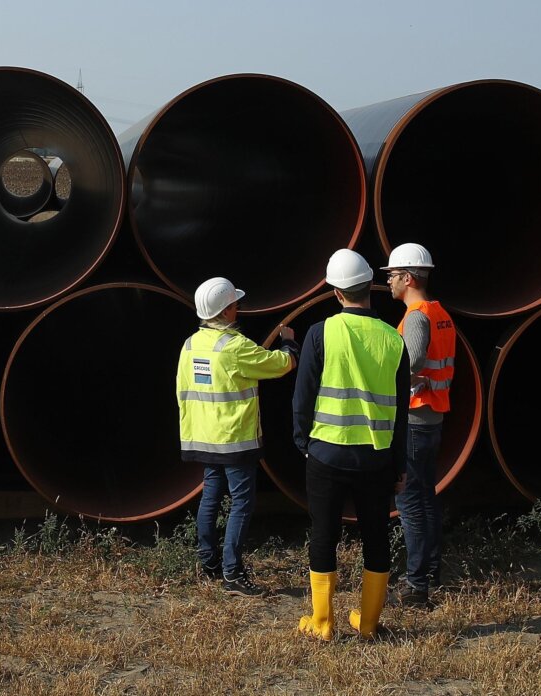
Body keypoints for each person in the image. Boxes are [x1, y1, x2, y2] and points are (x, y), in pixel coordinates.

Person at [293, 249, 409, 641]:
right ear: (368, 289)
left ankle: (323, 623)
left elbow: (303, 396)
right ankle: (370, 623)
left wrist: (302, 441)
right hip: (375, 460)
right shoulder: (394, 340)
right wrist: (398, 466)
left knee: (323, 533)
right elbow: (401, 414)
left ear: (336, 293)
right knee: (376, 537)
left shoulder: (320, 333)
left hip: (326, 452)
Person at [175, 275, 298, 597]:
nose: (237, 310)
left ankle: (209, 564)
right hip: (234, 439)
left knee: (211, 497)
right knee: (241, 502)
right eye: (235, 305)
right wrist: (289, 342)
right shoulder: (235, 347)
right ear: (227, 311)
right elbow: (281, 365)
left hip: (203, 437)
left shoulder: (190, 345)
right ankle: (233, 573)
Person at [382, 242, 456, 607]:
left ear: (408, 277)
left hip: (413, 419)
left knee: (410, 502)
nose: (390, 282)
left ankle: (415, 587)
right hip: (431, 416)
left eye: (393, 276)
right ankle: (430, 573)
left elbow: (407, 363)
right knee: (426, 497)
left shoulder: (416, 317)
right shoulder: (439, 312)